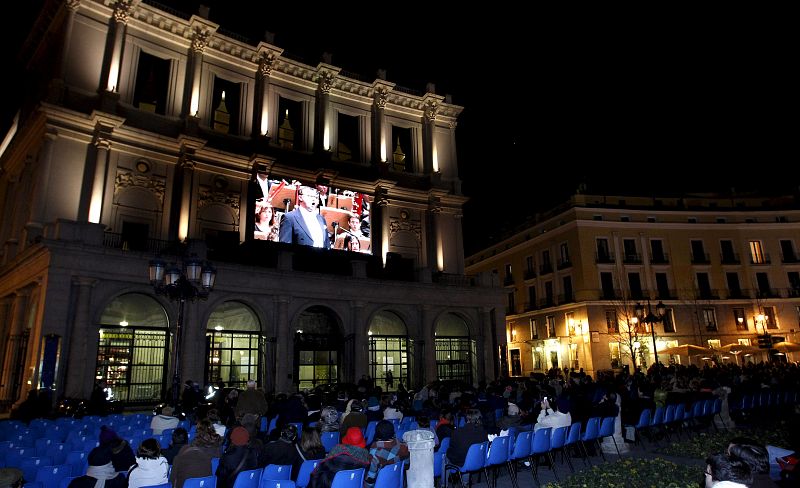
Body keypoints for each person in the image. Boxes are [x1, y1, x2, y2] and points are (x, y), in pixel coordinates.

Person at [170, 419, 224, 488]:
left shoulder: (187, 449)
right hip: (209, 484)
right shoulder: (219, 448)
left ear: (197, 432)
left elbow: (173, 477)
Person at [365, 420, 409, 488]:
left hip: (380, 484)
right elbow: (406, 465)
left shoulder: (374, 453)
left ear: (377, 434)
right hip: (397, 482)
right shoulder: (404, 447)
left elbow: (371, 476)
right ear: (393, 432)